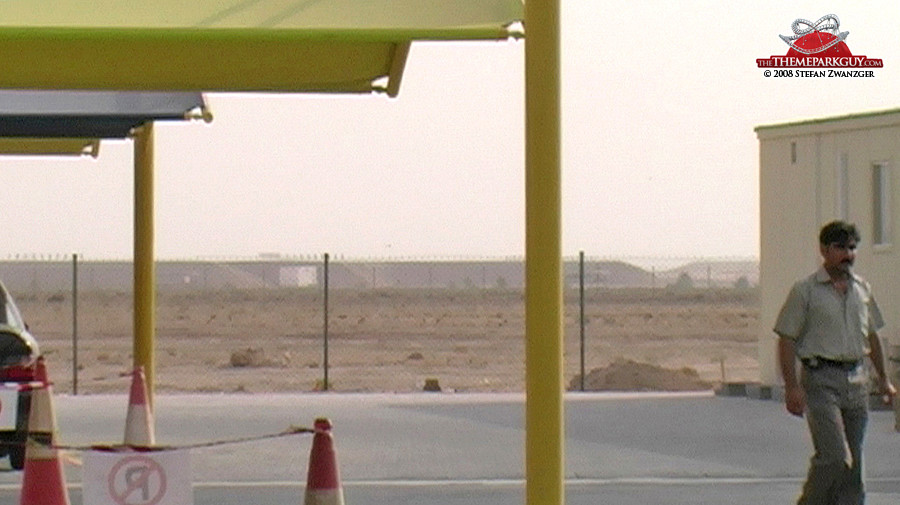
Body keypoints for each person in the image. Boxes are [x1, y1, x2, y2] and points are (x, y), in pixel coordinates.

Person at [774, 220, 897, 505]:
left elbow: (872, 336)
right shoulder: (805, 291)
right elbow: (787, 339)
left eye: (852, 248)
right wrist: (792, 387)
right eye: (840, 247)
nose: (848, 254)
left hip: (856, 382)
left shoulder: (862, 290)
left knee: (854, 461)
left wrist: (884, 379)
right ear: (824, 250)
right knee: (833, 456)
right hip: (821, 380)